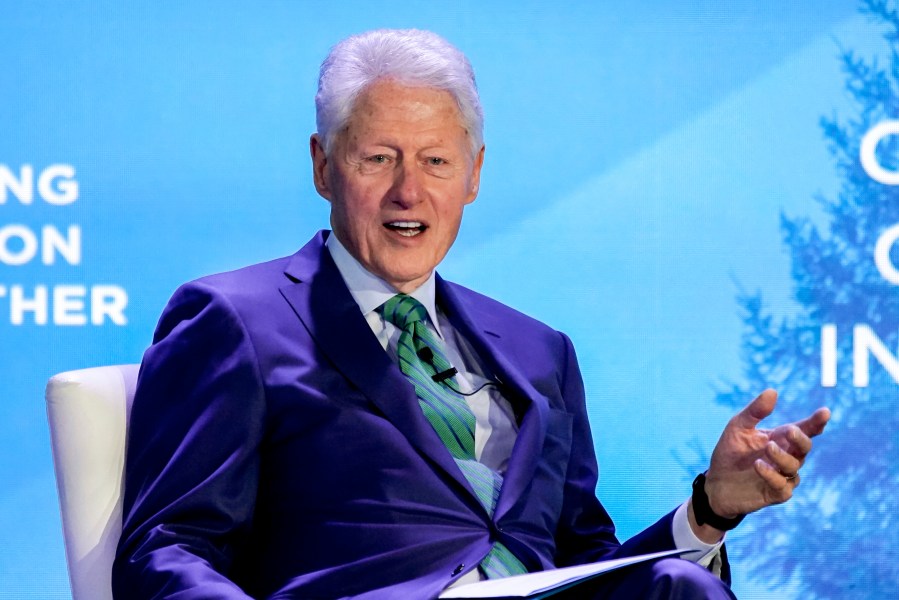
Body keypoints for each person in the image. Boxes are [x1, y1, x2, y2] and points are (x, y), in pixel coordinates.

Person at [113, 29, 830, 599]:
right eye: (377, 159)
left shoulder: (536, 350)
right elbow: (168, 547)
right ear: (323, 167)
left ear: (474, 175)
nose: (407, 192)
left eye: (434, 162)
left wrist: (710, 508)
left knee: (680, 585)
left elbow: (585, 565)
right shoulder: (233, 319)